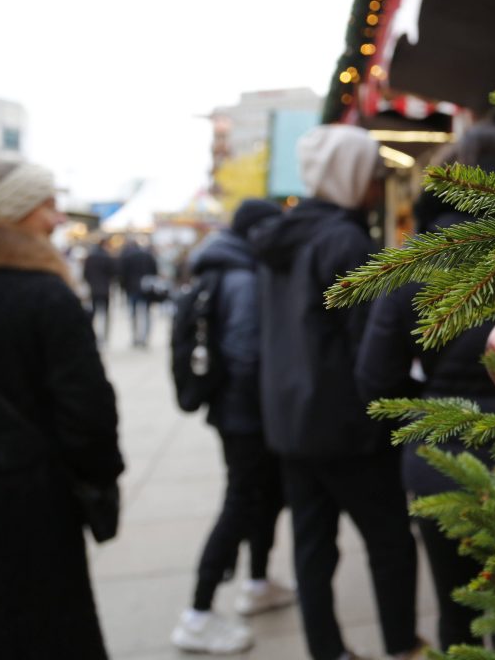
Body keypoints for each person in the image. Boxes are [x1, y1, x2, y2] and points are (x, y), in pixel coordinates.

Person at [355, 123, 495, 650]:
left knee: (458, 614)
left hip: (441, 465)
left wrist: (431, 409)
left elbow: (375, 381)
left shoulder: (416, 261)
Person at [249, 125, 423, 660]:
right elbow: (370, 347)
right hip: (348, 427)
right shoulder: (344, 242)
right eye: (371, 175)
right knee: (390, 541)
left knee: (312, 548)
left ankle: (327, 651)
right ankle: (402, 646)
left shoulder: (283, 240)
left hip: (291, 423)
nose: (376, 186)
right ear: (350, 177)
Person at [0, 157, 125, 658]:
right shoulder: (43, 294)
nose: (59, 219)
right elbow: (88, 412)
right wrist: (99, 476)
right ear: (16, 212)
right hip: (31, 502)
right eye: (48, 206)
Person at [171, 198, 294, 654]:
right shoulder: (242, 277)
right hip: (246, 415)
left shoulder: (225, 267)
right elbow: (246, 353)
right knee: (242, 502)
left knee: (265, 496)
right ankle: (197, 614)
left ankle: (258, 584)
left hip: (236, 411)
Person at [118, 235, 158, 347]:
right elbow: (155, 271)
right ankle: (145, 337)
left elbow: (122, 274)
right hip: (147, 288)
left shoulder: (127, 257)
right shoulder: (148, 255)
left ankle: (135, 337)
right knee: (146, 313)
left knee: (133, 313)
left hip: (132, 288)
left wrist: (123, 288)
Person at [82, 236, 116, 342]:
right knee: (105, 314)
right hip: (105, 288)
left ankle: (94, 334)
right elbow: (113, 273)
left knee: (94, 313)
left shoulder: (90, 257)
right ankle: (104, 335)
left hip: (93, 288)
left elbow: (85, 274)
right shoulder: (107, 257)